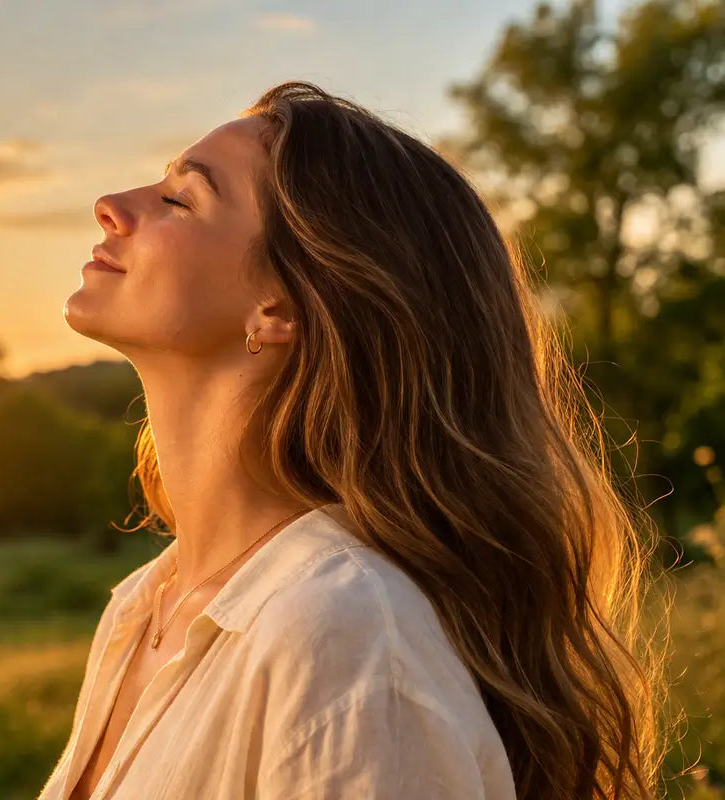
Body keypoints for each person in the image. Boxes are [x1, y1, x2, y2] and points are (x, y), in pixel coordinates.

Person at [38, 80, 668, 800]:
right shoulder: (143, 608)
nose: (113, 205)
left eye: (182, 199)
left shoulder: (349, 640)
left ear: (282, 305)